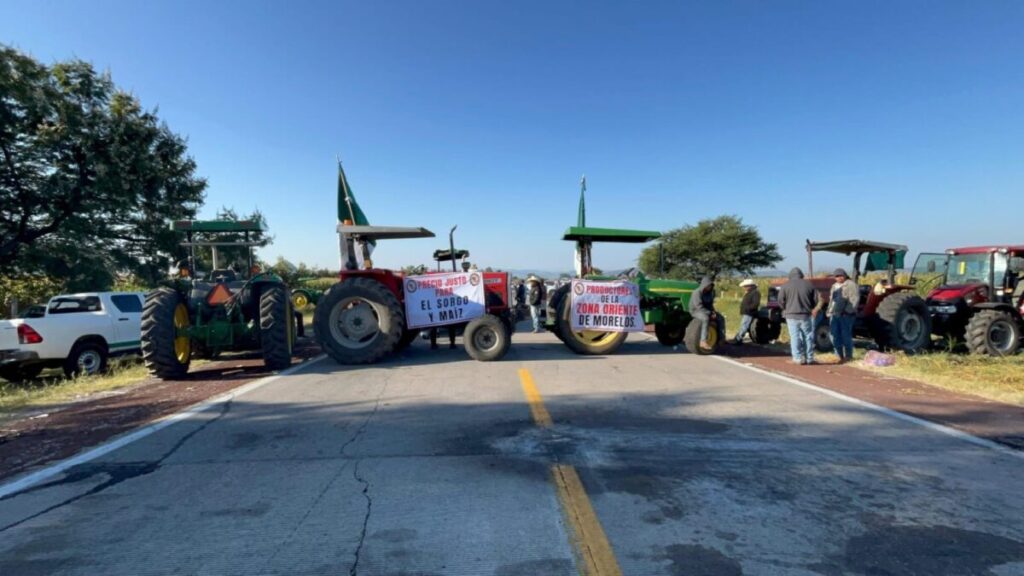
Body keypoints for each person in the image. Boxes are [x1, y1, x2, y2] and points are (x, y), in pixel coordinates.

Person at [777, 267, 820, 365]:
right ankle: (809, 358)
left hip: (791, 315)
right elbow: (816, 300)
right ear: (801, 275)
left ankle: (797, 358)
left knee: (795, 336)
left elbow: (780, 300)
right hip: (805, 315)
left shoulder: (785, 285)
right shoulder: (809, 284)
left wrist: (785, 308)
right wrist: (809, 307)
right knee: (808, 336)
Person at [827, 268, 859, 363]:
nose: (839, 278)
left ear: (845, 275)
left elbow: (854, 300)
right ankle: (838, 355)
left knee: (846, 335)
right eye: (837, 276)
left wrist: (847, 311)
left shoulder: (851, 285)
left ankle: (848, 356)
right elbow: (831, 300)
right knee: (834, 335)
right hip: (834, 313)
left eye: (841, 275)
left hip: (845, 315)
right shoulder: (834, 286)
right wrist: (829, 311)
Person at [688, 276, 724, 350]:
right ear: (704, 284)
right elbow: (698, 306)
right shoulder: (696, 292)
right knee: (705, 318)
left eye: (711, 285)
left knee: (720, 318)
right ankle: (703, 341)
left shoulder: (709, 293)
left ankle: (721, 339)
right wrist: (710, 313)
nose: (710, 287)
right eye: (708, 285)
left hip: (706, 311)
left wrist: (713, 312)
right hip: (696, 311)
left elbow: (710, 305)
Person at [732, 279, 761, 344]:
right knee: (744, 326)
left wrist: (748, 308)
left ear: (749, 286)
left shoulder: (755, 293)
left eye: (745, 286)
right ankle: (739, 339)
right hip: (747, 312)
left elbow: (755, 303)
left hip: (749, 313)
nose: (744, 288)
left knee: (744, 326)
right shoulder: (750, 292)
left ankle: (738, 339)